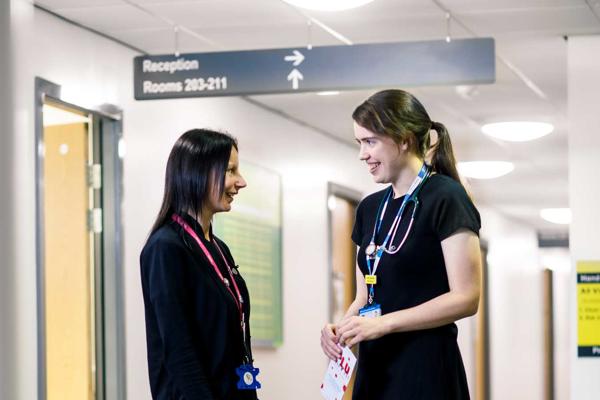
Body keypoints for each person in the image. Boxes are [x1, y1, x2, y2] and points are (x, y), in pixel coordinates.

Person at [320, 89, 482, 399]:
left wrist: (384, 325)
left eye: (370, 142)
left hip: (426, 369)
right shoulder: (369, 209)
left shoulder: (446, 197)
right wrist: (342, 329)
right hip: (377, 369)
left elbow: (466, 297)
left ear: (404, 139)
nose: (362, 154)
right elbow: (365, 297)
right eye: (359, 143)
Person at [140, 129, 259, 400]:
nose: (241, 182)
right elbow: (179, 350)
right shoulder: (166, 248)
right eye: (230, 171)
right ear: (198, 174)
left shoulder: (218, 249)